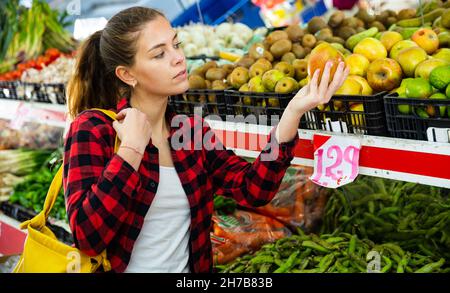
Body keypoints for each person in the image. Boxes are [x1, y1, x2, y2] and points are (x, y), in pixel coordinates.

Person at [63, 6, 349, 273]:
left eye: (176, 44)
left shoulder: (190, 133)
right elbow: (87, 236)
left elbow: (252, 190)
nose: (177, 58)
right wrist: (131, 149)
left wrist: (293, 112)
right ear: (127, 74)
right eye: (158, 54)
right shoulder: (95, 130)